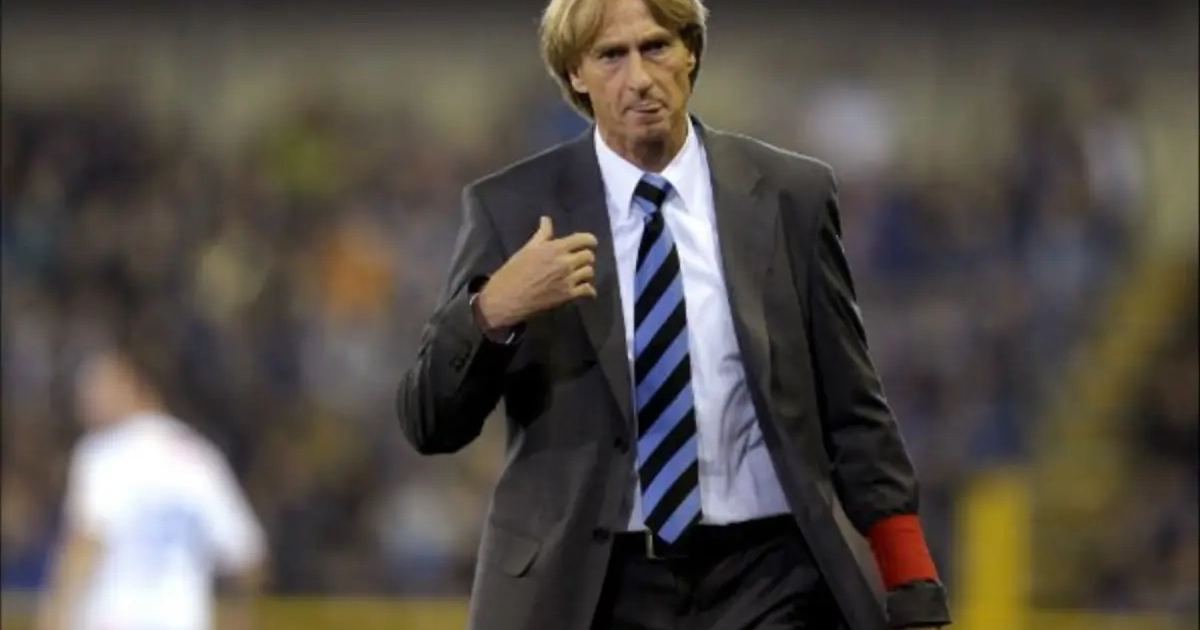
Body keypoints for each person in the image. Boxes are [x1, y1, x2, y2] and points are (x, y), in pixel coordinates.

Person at [395, 0, 951, 628]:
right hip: (591, 585)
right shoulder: (512, 208)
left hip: (768, 577)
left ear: (690, 52)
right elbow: (429, 424)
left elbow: (853, 409)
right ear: (576, 73)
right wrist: (493, 310)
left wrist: (912, 584)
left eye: (656, 46)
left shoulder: (789, 196)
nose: (639, 78)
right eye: (611, 56)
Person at [38, 344, 267, 630]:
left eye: (98, 385)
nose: (85, 399)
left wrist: (54, 618)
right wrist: (238, 619)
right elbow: (248, 557)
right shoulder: (201, 458)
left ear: (136, 384)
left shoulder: (104, 451)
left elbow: (86, 541)